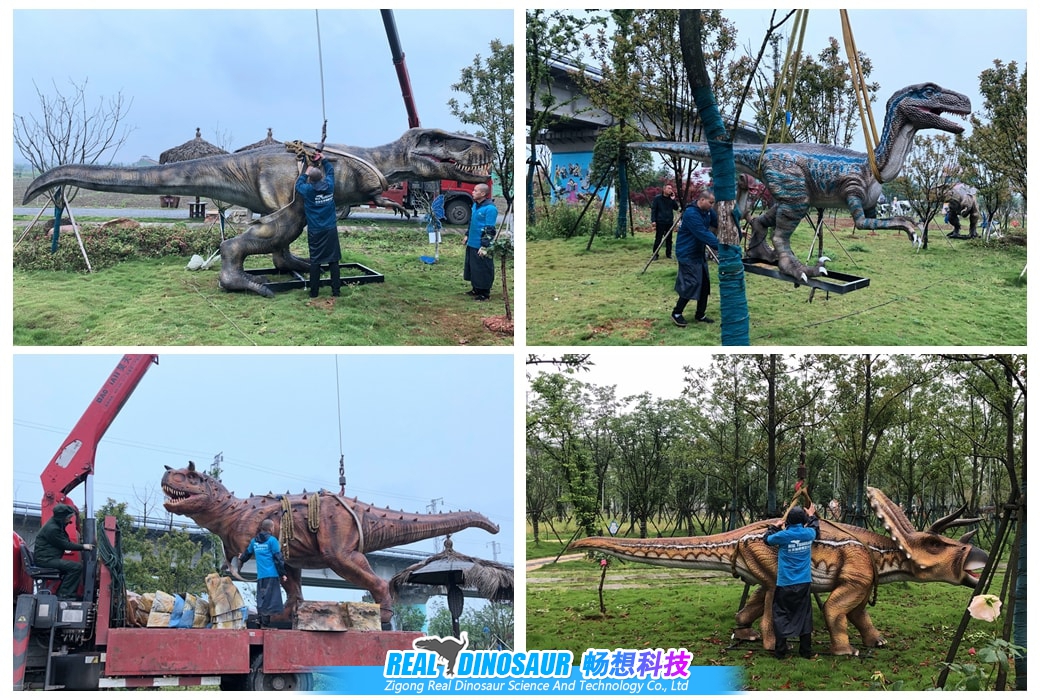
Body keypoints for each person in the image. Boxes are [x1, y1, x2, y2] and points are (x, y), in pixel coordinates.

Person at [764, 504, 820, 660]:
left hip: (785, 583)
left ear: (787, 521)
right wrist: (811, 515)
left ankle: (780, 652)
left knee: (781, 615)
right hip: (803, 582)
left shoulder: (783, 536)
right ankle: (805, 651)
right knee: (804, 615)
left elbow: (767, 540)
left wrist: (774, 527)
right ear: (802, 520)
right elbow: (815, 527)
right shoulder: (808, 534)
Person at [295, 151, 341, 298]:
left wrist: (305, 172)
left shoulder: (308, 190)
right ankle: (336, 291)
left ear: (311, 180)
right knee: (333, 260)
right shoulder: (329, 185)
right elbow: (331, 171)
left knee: (315, 261)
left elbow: (298, 185)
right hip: (330, 229)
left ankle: (314, 293)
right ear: (321, 177)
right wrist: (324, 159)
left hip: (315, 231)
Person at [671, 190, 719, 327]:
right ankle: (676, 313)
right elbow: (702, 233)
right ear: (702, 200)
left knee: (704, 284)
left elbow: (717, 223)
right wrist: (720, 246)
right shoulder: (691, 214)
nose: (712, 205)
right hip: (687, 253)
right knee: (691, 284)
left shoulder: (708, 212)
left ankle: (700, 315)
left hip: (698, 253)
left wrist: (735, 228)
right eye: (710, 202)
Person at [34, 503, 95, 598]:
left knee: (72, 567)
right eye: (68, 517)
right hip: (45, 560)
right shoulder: (52, 529)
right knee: (76, 567)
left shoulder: (56, 524)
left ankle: (63, 592)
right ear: (61, 518)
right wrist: (84, 547)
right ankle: (64, 594)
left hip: (47, 558)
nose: (70, 519)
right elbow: (65, 544)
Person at [239, 519, 287, 628]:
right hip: (272, 575)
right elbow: (278, 558)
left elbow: (246, 554)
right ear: (271, 528)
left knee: (262, 599)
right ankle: (264, 624)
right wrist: (282, 573)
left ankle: (261, 622)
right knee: (270, 600)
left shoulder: (254, 542)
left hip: (261, 576)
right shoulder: (272, 541)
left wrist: (241, 559)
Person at [463, 183, 498, 301]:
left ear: (483, 194)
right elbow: (472, 222)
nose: (472, 192)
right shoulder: (475, 205)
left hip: (481, 244)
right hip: (472, 242)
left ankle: (484, 293)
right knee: (473, 267)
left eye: (475, 190)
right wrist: (467, 235)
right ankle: (476, 289)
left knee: (483, 268)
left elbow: (490, 229)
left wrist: (484, 246)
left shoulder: (490, 209)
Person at [650, 183, 680, 259]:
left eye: (671, 188)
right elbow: (654, 210)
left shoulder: (671, 199)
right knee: (658, 238)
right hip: (660, 221)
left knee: (669, 239)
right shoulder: (657, 198)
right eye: (669, 188)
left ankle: (668, 254)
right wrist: (653, 220)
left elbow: (676, 208)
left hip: (669, 221)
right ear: (664, 189)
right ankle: (655, 254)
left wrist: (673, 200)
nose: (670, 190)